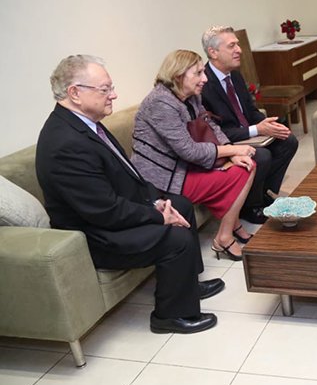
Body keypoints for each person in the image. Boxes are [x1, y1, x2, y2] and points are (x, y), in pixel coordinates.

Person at [36, 55, 223, 334]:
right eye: (105, 89)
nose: (113, 95)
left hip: (112, 213)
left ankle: (188, 285)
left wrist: (158, 202)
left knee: (180, 204)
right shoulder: (64, 143)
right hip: (95, 235)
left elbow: (128, 175)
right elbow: (104, 211)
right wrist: (158, 217)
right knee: (176, 238)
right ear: (75, 93)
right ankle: (169, 316)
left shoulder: (85, 123)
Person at [132, 50, 256, 261]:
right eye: (198, 73)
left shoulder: (191, 96)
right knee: (245, 170)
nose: (205, 78)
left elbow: (211, 126)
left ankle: (232, 227)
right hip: (164, 177)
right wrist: (233, 150)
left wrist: (231, 152)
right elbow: (188, 150)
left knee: (245, 164)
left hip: (185, 166)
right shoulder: (160, 103)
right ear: (178, 75)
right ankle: (224, 237)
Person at [200, 26, 298, 224]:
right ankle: (250, 207)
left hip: (245, 133)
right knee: (261, 155)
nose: (239, 50)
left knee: (288, 141)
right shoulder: (203, 84)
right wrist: (256, 130)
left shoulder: (235, 75)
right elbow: (215, 132)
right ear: (213, 52)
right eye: (232, 46)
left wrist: (266, 123)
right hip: (225, 142)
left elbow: (250, 110)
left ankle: (266, 195)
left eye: (238, 44)